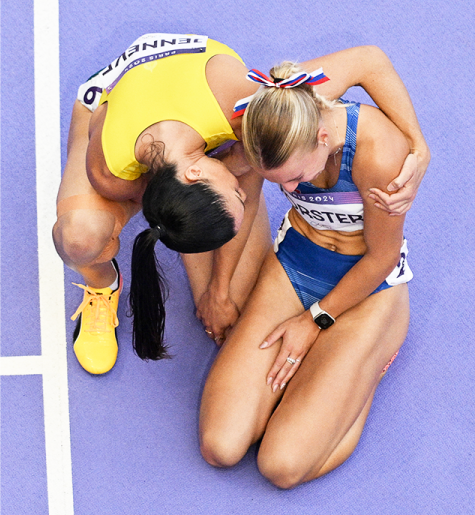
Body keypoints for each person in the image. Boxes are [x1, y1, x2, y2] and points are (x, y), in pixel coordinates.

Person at [54, 33, 428, 374]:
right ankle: (103, 286)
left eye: (235, 191)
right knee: (80, 239)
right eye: (236, 191)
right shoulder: (110, 172)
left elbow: (367, 59)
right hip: (106, 103)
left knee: (233, 302)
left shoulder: (248, 108)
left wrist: (418, 147)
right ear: (196, 174)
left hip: (199, 98)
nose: (247, 189)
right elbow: (166, 206)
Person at [198, 61, 418, 488]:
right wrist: (219, 289)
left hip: (369, 286)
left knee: (280, 467)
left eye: (299, 176)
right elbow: (238, 192)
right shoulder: (272, 118)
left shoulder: (378, 151)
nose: (295, 190)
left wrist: (313, 320)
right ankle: (329, 373)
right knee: (221, 447)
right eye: (283, 183)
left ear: (323, 137)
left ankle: (369, 363)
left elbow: (382, 258)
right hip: (296, 265)